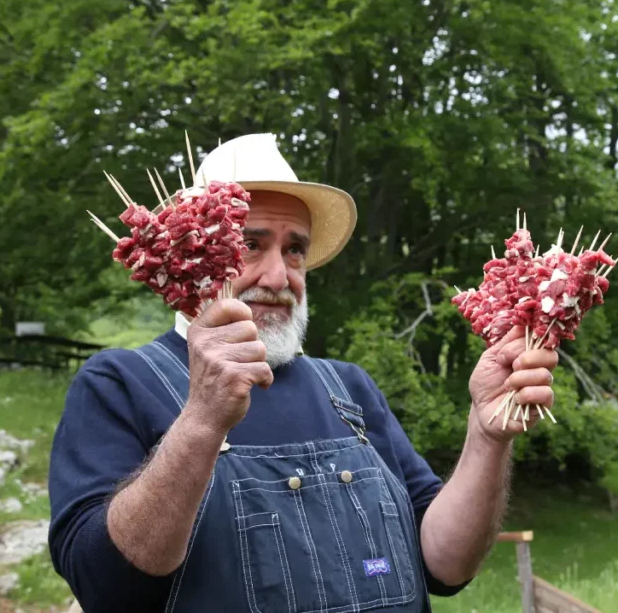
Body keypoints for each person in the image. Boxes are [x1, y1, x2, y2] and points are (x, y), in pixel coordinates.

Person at [48, 133, 557, 613]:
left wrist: (487, 436)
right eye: (251, 243)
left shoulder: (348, 388)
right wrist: (202, 420)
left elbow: (445, 567)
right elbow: (104, 586)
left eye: (295, 249)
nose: (279, 276)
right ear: (192, 257)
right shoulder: (118, 383)